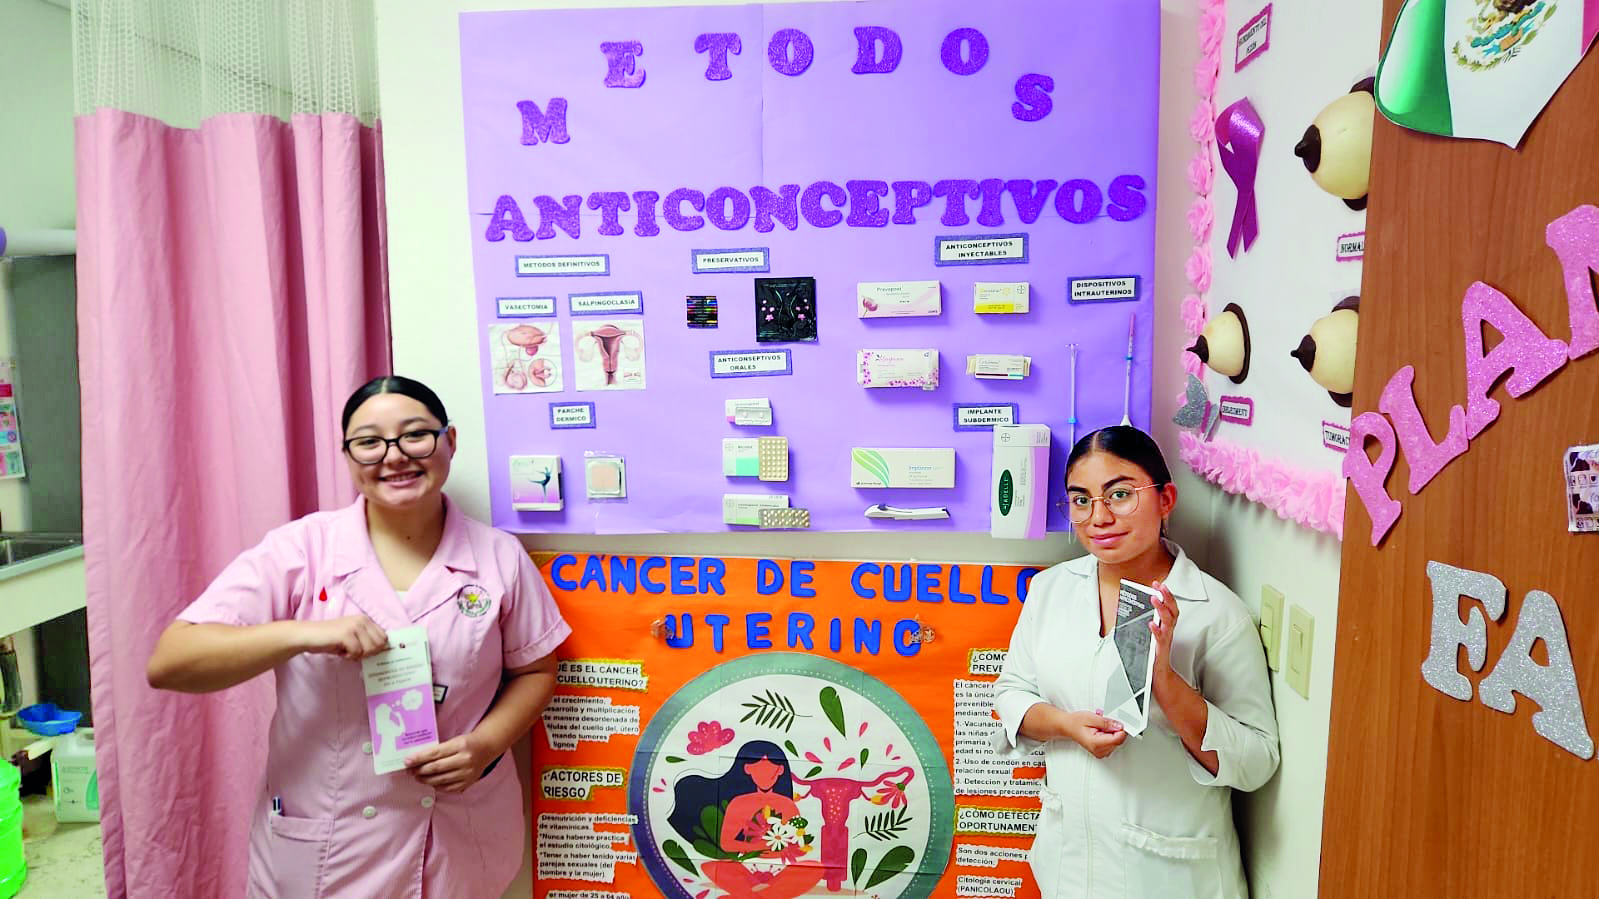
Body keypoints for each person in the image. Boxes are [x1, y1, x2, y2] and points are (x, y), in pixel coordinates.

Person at [147, 376, 571, 898]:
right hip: (331, 841)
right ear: (348, 455)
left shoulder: (499, 557)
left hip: (457, 837)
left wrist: (486, 745)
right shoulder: (301, 551)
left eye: (415, 435)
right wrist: (301, 634)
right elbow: (171, 661)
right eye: (369, 442)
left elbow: (536, 670)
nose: (394, 456)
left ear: (450, 440)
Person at [992, 426, 1278, 898]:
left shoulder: (1217, 613)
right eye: (1081, 500)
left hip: (1169, 878)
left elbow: (1256, 763)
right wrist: (1066, 726)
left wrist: (1165, 680)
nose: (1099, 517)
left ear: (1166, 499)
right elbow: (1010, 692)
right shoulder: (1050, 590)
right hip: (1068, 869)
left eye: (1120, 495)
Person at [666, 740, 825, 899]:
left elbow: (797, 845)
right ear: (747, 769)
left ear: (780, 770)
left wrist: (779, 850)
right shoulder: (739, 803)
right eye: (759, 769)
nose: (765, 775)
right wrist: (756, 847)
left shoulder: (787, 805)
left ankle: (751, 895)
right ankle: (768, 894)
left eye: (770, 769)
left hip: (779, 867)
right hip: (743, 866)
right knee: (715, 866)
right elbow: (726, 844)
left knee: (814, 868)